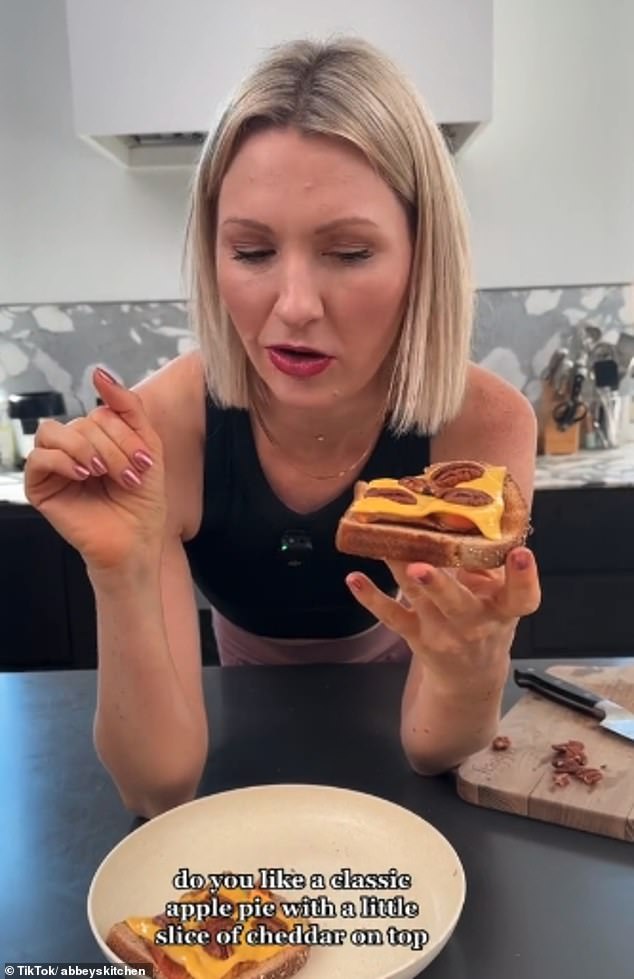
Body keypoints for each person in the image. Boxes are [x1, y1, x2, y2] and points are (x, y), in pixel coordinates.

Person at [25, 37, 540, 819]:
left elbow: (435, 746)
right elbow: (156, 787)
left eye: (349, 251)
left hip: (413, 775)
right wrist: (120, 574)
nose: (294, 305)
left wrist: (474, 663)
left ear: (422, 256)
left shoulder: (483, 425)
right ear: (213, 254)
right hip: (238, 746)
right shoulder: (164, 427)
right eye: (253, 250)